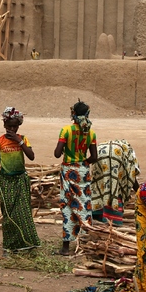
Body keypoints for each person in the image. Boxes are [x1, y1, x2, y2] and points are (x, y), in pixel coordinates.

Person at [0, 107, 40, 252]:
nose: (11, 129)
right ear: (4, 125)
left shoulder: (23, 139)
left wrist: (19, 141)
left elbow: (31, 156)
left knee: (23, 212)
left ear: (19, 126)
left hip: (21, 180)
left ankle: (27, 243)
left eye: (14, 126)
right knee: (8, 214)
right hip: (6, 181)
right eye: (9, 126)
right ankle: (9, 246)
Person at [54, 100, 98, 256]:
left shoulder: (66, 130)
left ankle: (66, 247)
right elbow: (94, 156)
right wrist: (83, 162)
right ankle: (87, 244)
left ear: (73, 113)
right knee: (84, 205)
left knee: (67, 206)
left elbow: (57, 153)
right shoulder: (91, 133)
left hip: (68, 171)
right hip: (83, 171)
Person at [91, 139, 139, 226]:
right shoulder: (129, 154)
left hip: (100, 151)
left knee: (100, 184)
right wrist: (139, 192)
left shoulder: (124, 148)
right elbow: (131, 176)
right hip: (116, 154)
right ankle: (112, 221)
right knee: (114, 187)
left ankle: (97, 215)